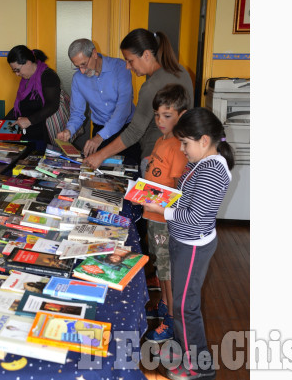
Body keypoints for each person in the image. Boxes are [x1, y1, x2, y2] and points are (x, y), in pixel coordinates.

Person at [142, 107, 234, 380]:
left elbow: (194, 218)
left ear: (204, 140)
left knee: (185, 307)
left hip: (193, 245)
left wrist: (161, 210)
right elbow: (184, 196)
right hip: (182, 240)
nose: (182, 149)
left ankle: (200, 367)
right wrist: (159, 197)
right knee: (182, 305)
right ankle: (184, 353)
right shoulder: (200, 162)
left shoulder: (213, 170)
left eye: (185, 143)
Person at [83, 29, 194, 171]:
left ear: (146, 55)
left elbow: (134, 132)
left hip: (157, 159)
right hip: (182, 156)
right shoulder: (180, 70)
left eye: (130, 61)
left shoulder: (151, 86)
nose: (128, 66)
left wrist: (99, 156)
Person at [140, 84, 190, 343]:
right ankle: (166, 306)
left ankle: (171, 320)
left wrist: (147, 197)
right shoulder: (162, 140)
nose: (160, 121)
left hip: (165, 220)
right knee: (161, 268)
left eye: (166, 116)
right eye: (157, 115)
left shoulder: (178, 148)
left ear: (182, 115)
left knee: (168, 272)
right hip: (154, 218)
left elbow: (180, 194)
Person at [56, 38, 139, 160]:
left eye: (83, 64)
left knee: (129, 172)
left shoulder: (120, 68)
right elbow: (77, 113)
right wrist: (69, 131)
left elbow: (123, 109)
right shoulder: (78, 79)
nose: (82, 71)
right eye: (77, 66)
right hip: (100, 130)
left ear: (94, 54)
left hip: (126, 130)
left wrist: (100, 137)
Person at [6, 45, 62, 143]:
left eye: (17, 70)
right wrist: (0, 123)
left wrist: (29, 120)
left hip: (44, 136)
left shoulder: (48, 76)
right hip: (27, 135)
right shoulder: (25, 81)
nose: (17, 74)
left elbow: (52, 105)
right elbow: (20, 106)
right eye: (14, 71)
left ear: (28, 62)